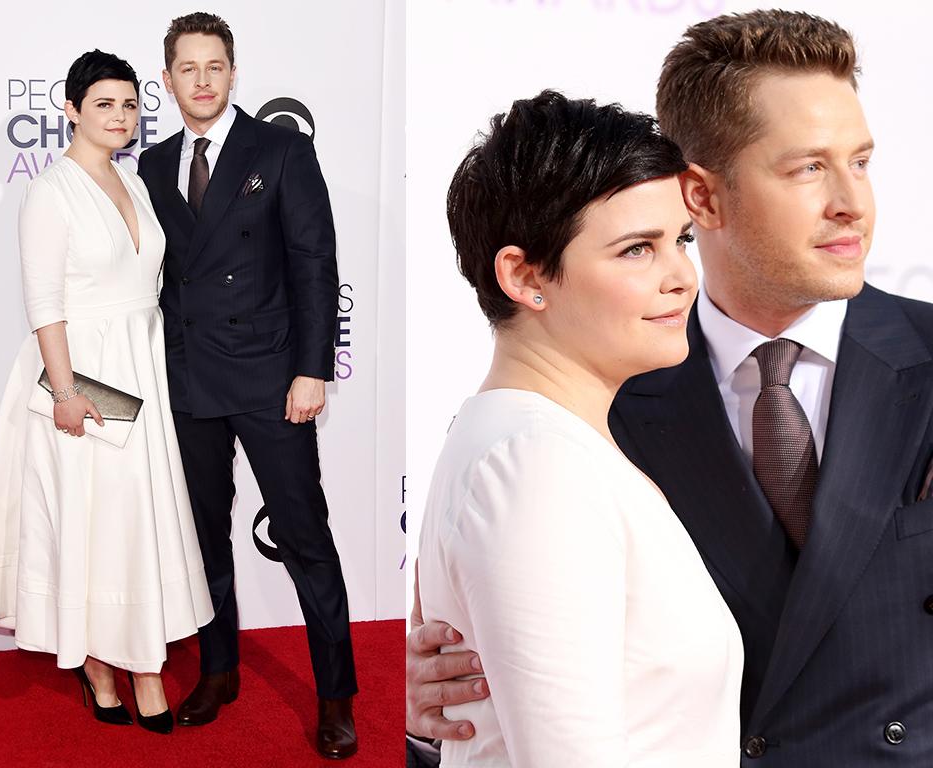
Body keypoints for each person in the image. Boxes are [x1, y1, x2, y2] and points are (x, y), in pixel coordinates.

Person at [408, 9, 933, 766]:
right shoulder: (586, 403)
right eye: (808, 167)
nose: (852, 201)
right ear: (702, 196)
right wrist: (449, 693)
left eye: (861, 160)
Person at [415, 90, 743, 766]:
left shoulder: (540, 445)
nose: (682, 275)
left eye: (680, 240)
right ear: (525, 276)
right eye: (635, 250)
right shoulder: (537, 464)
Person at [0, 50, 214, 734]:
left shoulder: (139, 184)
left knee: (133, 521)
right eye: (104, 104)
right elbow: (45, 304)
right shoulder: (48, 192)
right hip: (83, 373)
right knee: (92, 519)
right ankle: (99, 665)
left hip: (140, 367)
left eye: (129, 105)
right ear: (70, 109)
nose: (120, 117)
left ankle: (144, 663)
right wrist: (64, 392)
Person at [137, 13, 358, 758]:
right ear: (166, 81)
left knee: (305, 536)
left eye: (215, 66)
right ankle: (219, 670)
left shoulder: (284, 151)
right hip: (191, 380)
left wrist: (313, 368)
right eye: (187, 69)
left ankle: (335, 696)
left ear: (234, 74)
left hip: (272, 379)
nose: (202, 81)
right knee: (203, 541)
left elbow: (314, 264)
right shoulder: (151, 166)